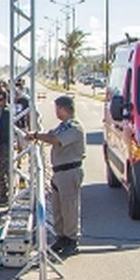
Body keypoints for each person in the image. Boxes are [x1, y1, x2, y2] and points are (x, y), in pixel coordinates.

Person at [26, 95, 86, 257]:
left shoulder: (75, 128)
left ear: (63, 108)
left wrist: (36, 135)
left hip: (69, 171)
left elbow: (54, 139)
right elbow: (51, 134)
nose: (56, 112)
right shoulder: (63, 126)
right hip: (59, 172)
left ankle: (72, 239)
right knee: (58, 208)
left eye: (57, 108)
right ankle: (61, 237)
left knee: (69, 207)